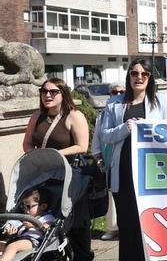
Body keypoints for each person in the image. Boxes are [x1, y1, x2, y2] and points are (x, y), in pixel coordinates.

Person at [100, 58, 167, 261]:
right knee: (126, 225)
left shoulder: (161, 103)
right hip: (122, 173)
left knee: (147, 225)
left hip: (149, 175)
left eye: (144, 74)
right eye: (134, 73)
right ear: (129, 76)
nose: (139, 77)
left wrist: (149, 126)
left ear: (150, 78)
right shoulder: (115, 103)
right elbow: (105, 135)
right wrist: (126, 128)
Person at [22, 78, 91, 260]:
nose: (47, 95)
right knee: (48, 222)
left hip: (70, 177)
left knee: (75, 225)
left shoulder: (74, 116)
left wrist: (55, 155)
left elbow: (82, 146)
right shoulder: (37, 116)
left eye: (53, 92)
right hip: (44, 177)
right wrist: (36, 157)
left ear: (63, 93)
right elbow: (27, 142)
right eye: (44, 92)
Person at [93, 84, 124, 241]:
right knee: (111, 196)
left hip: (124, 159)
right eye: (114, 91)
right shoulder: (103, 114)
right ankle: (112, 228)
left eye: (121, 91)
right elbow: (97, 137)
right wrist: (98, 156)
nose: (117, 93)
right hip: (108, 158)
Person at [0, 188, 55, 261]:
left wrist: (34, 225)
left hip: (33, 241)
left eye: (29, 206)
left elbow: (48, 228)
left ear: (43, 206)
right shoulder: (25, 219)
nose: (26, 210)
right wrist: (11, 233)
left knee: (12, 246)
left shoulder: (47, 217)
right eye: (24, 206)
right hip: (19, 239)